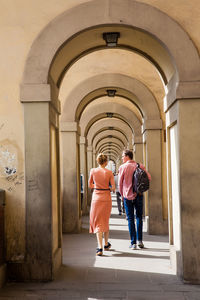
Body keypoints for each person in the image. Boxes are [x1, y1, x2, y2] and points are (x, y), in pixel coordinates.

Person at [118, 149, 151, 250]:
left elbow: (120, 183)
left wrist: (122, 195)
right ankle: (140, 241)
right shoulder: (139, 165)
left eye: (123, 156)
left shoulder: (123, 167)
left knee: (130, 219)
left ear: (127, 156)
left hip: (127, 196)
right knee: (139, 217)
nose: (122, 158)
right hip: (139, 194)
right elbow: (148, 177)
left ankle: (133, 243)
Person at [89, 153, 115, 256]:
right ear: (106, 162)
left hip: (96, 198)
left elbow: (90, 184)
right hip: (106, 198)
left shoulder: (93, 171)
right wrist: (107, 187)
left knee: (97, 221)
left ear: (98, 161)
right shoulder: (109, 173)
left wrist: (97, 186)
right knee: (105, 220)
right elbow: (113, 188)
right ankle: (106, 244)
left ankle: (99, 247)